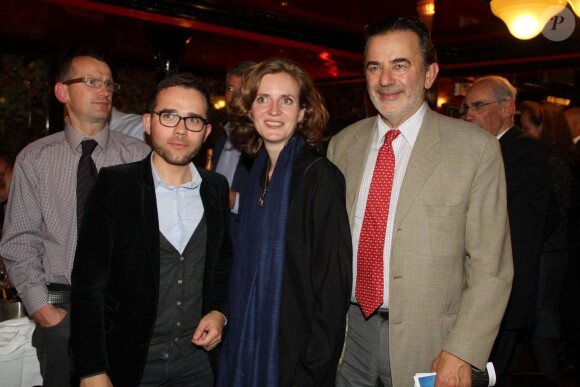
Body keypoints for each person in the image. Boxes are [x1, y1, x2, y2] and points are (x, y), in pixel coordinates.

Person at [327, 17, 513, 387]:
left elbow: (491, 268)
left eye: (400, 65)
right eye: (374, 67)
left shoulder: (476, 149)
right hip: (347, 336)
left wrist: (462, 351)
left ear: (429, 75)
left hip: (432, 343)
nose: (385, 79)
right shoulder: (341, 145)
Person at [70, 73, 233, 386]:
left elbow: (223, 260)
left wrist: (217, 312)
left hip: (197, 364)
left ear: (207, 131)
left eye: (194, 119)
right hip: (131, 363)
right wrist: (91, 369)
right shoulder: (115, 185)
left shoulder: (215, 188)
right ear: (148, 123)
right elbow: (88, 283)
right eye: (169, 116)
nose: (181, 130)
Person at [0, 47, 150, 386]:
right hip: (61, 312)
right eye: (91, 81)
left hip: (125, 314)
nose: (104, 91)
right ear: (61, 91)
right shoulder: (35, 158)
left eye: (109, 84)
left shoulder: (139, 156)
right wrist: (43, 311)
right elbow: (19, 242)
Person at [217, 57, 352, 387]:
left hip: (295, 360)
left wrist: (311, 369)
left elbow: (332, 288)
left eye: (287, 101)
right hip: (249, 344)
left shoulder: (320, 177)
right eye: (263, 99)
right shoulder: (258, 171)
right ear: (250, 110)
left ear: (303, 112)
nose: (274, 111)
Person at [462, 76, 552, 377]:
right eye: (466, 108)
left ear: (507, 108)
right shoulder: (482, 150)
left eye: (477, 106)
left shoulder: (523, 152)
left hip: (505, 289)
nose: (469, 115)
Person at [520, 100, 572, 382]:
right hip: (551, 253)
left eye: (527, 127)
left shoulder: (552, 164)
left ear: (545, 128)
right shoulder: (556, 161)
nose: (523, 132)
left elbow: (551, 216)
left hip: (548, 254)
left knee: (541, 327)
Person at [212, 61, 255, 246]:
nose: (234, 96)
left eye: (242, 89)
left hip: (245, 244)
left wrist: (232, 199)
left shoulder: (264, 143)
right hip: (219, 239)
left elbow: (274, 206)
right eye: (230, 88)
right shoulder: (223, 137)